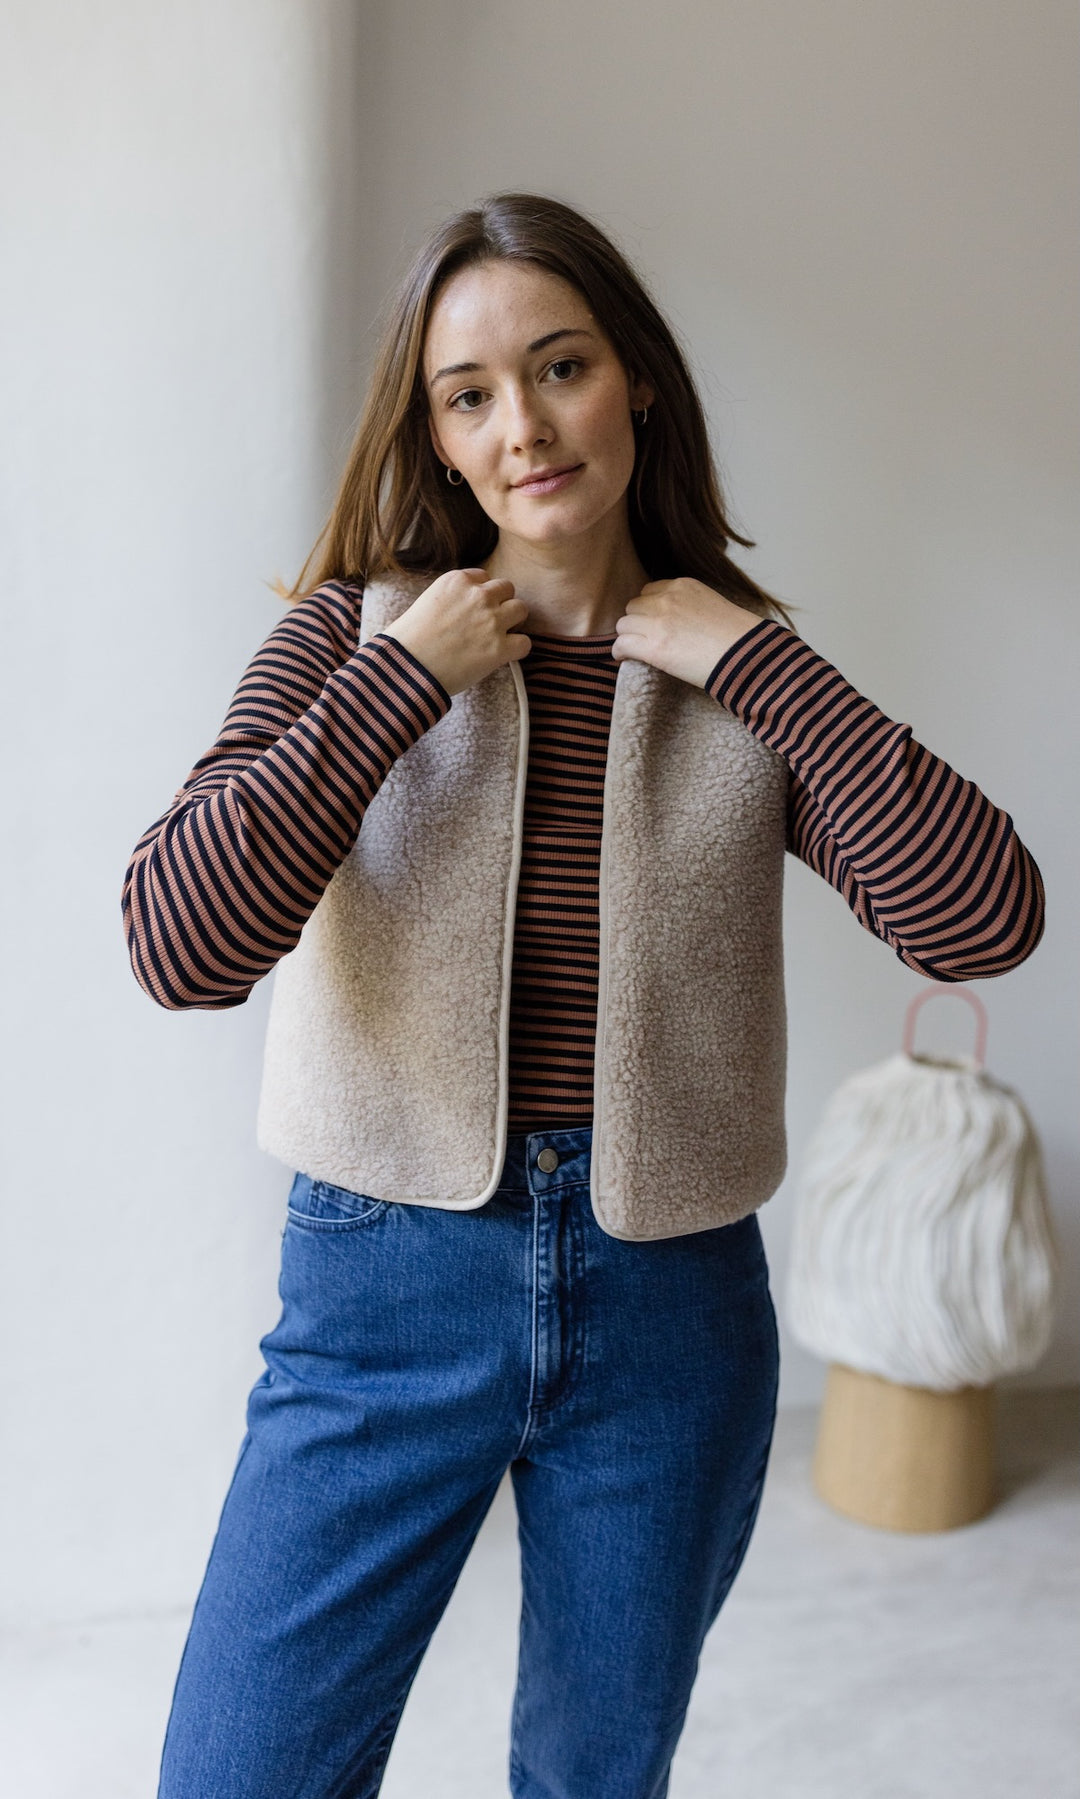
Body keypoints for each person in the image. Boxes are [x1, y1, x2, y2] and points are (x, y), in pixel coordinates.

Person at [124, 191, 1045, 1799]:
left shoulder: (739, 673)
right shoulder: (351, 636)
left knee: (594, 1779)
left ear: (639, 387)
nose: (522, 426)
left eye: (559, 368)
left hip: (670, 1302)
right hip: (383, 1292)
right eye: (469, 393)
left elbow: (981, 917)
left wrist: (750, 660)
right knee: (240, 1774)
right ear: (432, 434)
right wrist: (404, 681)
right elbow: (179, 942)